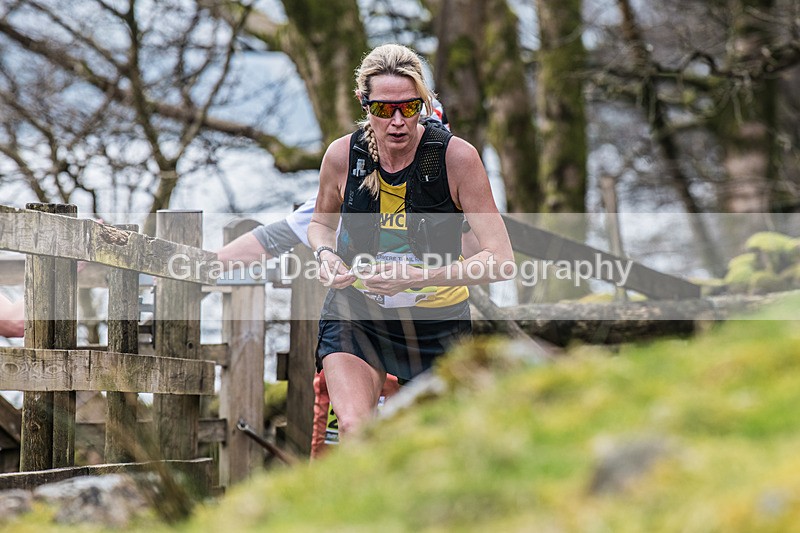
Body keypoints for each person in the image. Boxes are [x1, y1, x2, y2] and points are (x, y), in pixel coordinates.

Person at [308, 44, 514, 438]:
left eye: (410, 107)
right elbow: (320, 224)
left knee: (435, 443)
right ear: (364, 104)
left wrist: (418, 277)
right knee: (353, 427)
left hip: (437, 322)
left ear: (425, 103)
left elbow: (501, 260)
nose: (398, 121)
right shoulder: (342, 156)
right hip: (358, 310)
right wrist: (324, 254)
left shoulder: (456, 158)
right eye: (384, 109)